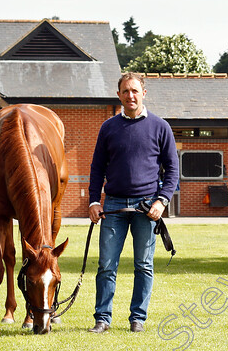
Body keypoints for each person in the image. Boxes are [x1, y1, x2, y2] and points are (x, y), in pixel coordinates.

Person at [88, 72, 179, 334]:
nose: (130, 96)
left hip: (146, 208)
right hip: (113, 206)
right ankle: (102, 319)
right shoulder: (108, 128)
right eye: (126, 91)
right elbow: (96, 168)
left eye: (135, 91)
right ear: (119, 95)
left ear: (144, 93)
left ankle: (138, 318)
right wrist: (94, 200)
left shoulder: (160, 127)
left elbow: (172, 170)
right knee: (106, 265)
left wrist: (162, 201)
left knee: (144, 265)